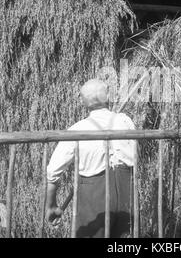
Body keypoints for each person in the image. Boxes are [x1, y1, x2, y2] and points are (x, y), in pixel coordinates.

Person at [46, 79, 136, 238]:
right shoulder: (125, 121)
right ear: (108, 96)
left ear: (83, 102)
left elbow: (53, 171)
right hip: (126, 198)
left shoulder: (77, 129)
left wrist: (51, 206)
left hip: (94, 203)